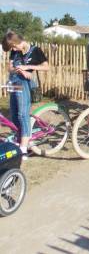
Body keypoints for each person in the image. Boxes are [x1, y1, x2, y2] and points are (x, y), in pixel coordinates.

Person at [2, 31, 49, 159]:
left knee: (23, 115)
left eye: (13, 47)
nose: (13, 50)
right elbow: (10, 68)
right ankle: (20, 140)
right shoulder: (15, 51)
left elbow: (46, 67)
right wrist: (19, 69)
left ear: (17, 42)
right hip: (14, 82)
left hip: (24, 84)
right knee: (14, 114)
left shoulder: (36, 50)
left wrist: (27, 67)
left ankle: (23, 148)